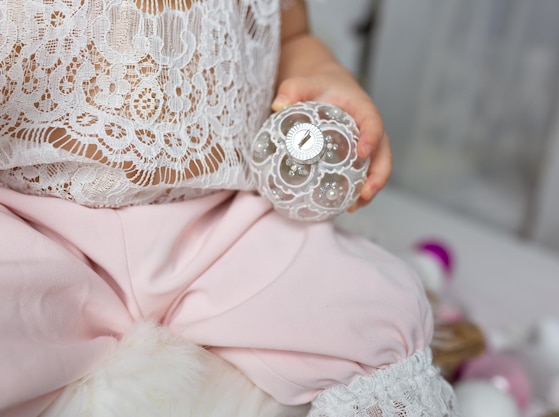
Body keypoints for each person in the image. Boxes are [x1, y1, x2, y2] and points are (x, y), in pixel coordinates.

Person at [0, 0, 459, 415]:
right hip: (35, 222)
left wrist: (325, 77)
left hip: (222, 227)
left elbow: (293, 36)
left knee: (377, 307)